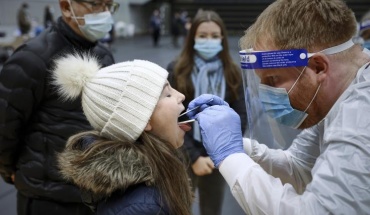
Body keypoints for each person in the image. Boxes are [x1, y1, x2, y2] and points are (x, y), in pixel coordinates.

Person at [185, 0, 370, 214]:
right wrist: (235, 143)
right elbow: (299, 167)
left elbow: (318, 211)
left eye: (273, 79)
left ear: (318, 67)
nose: (266, 95)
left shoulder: (361, 115)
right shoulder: (338, 97)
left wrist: (229, 156)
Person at [0, 0, 119, 214]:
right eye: (95, 5)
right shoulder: (31, 59)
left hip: (94, 190)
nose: (104, 13)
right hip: (46, 196)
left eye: (109, 6)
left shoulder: (104, 56)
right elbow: (5, 125)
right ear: (66, 7)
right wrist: (9, 170)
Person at [53, 54, 193, 214]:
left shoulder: (156, 173)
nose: (181, 96)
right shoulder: (145, 207)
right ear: (143, 118)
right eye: (167, 94)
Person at [167, 10, 247, 215]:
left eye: (214, 36)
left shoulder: (232, 71)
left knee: (212, 209)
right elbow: (171, 118)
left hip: (218, 156)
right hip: (183, 154)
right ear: (193, 36)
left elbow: (240, 116)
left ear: (222, 38)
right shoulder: (177, 70)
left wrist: (219, 151)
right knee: (178, 208)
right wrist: (193, 157)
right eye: (202, 36)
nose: (208, 40)